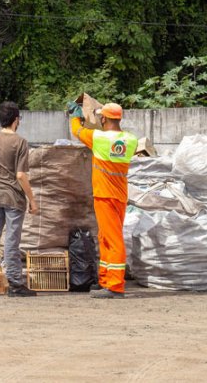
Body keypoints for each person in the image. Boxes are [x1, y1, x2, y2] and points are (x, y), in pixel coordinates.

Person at [67, 101, 138, 299]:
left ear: (104, 118)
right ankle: (105, 279)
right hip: (119, 195)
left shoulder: (99, 138)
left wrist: (75, 114)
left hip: (105, 195)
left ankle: (115, 285)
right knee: (105, 237)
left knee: (113, 239)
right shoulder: (130, 140)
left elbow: (77, 131)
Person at [0, 101, 39, 297]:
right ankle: (15, 285)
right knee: (11, 242)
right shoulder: (20, 142)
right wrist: (32, 199)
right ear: (16, 120)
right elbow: (21, 175)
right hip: (14, 199)